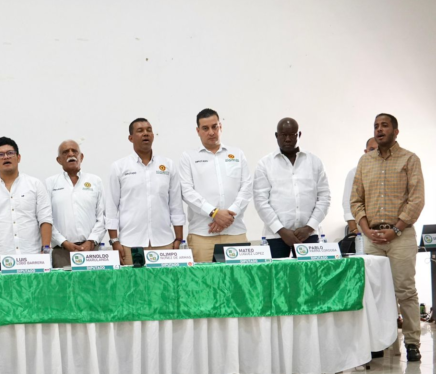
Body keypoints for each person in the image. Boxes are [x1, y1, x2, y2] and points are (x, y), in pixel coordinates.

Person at [351, 113, 425, 362]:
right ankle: (380, 341)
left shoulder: (409, 160)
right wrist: (366, 229)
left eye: (384, 125)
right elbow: (356, 201)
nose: (379, 129)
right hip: (372, 237)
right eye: (375, 126)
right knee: (377, 293)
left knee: (405, 290)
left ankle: (412, 342)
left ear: (396, 131)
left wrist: (396, 229)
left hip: (400, 235)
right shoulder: (365, 162)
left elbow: (416, 199)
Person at [106, 118, 185, 266]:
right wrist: (114, 241)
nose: (146, 134)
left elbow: (175, 204)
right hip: (130, 244)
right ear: (130, 138)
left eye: (149, 130)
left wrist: (178, 238)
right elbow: (111, 207)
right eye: (140, 131)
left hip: (164, 242)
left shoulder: (167, 165)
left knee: (164, 287)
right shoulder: (119, 167)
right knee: (134, 287)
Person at [178, 109, 251, 262]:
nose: (211, 132)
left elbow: (246, 187)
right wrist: (214, 213)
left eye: (214, 127)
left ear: (221, 127)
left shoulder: (237, 154)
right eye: (205, 128)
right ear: (198, 131)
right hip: (202, 235)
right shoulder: (188, 157)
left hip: (235, 232)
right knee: (202, 283)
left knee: (240, 283)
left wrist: (229, 214)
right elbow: (187, 191)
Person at [253, 118, 331, 258]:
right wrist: (281, 230)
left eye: (292, 135)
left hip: (309, 235)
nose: (288, 139)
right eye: (283, 135)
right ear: (277, 136)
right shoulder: (265, 164)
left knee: (309, 279)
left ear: (299, 135)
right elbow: (260, 202)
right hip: (276, 235)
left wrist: (309, 228)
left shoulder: (314, 162)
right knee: (276, 279)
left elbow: (324, 198)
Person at [0, 137, 53, 272]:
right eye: (0, 155)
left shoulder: (34, 184)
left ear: (18, 157)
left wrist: (44, 253)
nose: (6, 157)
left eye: (10, 153)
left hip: (33, 257)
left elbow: (45, 219)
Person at [46, 140, 106, 268]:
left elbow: (102, 216)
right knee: (64, 288)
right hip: (62, 252)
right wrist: (64, 242)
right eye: (65, 152)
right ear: (59, 160)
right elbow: (46, 219)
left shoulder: (95, 181)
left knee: (94, 287)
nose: (70, 154)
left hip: (91, 250)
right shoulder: (50, 183)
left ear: (81, 157)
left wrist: (90, 241)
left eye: (74, 151)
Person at [342, 137, 378, 235]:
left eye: (378, 149)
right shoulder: (355, 173)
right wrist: (354, 230)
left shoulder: (391, 172)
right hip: (361, 227)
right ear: (365, 151)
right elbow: (347, 203)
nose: (375, 152)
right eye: (371, 149)